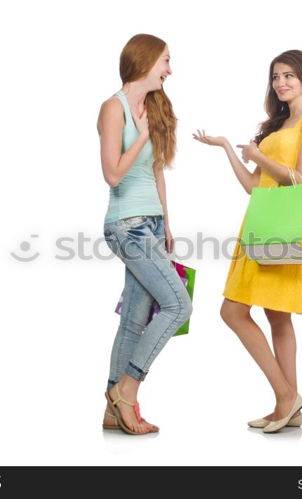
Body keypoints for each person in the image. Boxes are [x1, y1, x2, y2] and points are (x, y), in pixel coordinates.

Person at [193, 50, 302, 433]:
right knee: (275, 316)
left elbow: (299, 177)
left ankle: (286, 397)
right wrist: (227, 150)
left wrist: (257, 155)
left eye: (288, 75)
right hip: (260, 223)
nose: (281, 83)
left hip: (282, 226)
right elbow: (254, 186)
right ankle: (289, 406)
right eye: (275, 77)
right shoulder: (278, 123)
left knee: (233, 312)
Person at [98, 34, 192, 435]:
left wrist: (166, 224)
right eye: (166, 61)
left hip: (150, 225)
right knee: (179, 306)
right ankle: (128, 390)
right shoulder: (112, 108)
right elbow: (113, 173)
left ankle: (110, 407)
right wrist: (140, 137)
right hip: (125, 224)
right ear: (147, 60)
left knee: (135, 320)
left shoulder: (152, 107)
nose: (170, 70)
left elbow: (156, 173)